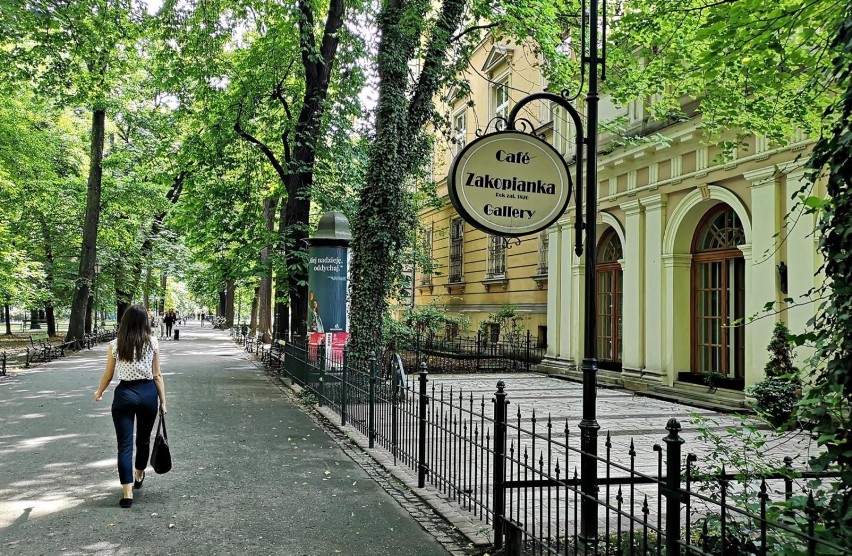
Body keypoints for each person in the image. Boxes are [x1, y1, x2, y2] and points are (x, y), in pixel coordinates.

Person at [93, 304, 167, 508]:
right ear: (145, 321)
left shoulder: (116, 344)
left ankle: (127, 494)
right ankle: (139, 473)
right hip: (147, 394)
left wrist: (99, 392)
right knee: (143, 441)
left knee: (124, 445)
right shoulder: (152, 342)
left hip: (124, 395)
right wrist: (163, 401)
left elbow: (108, 375)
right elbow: (157, 375)